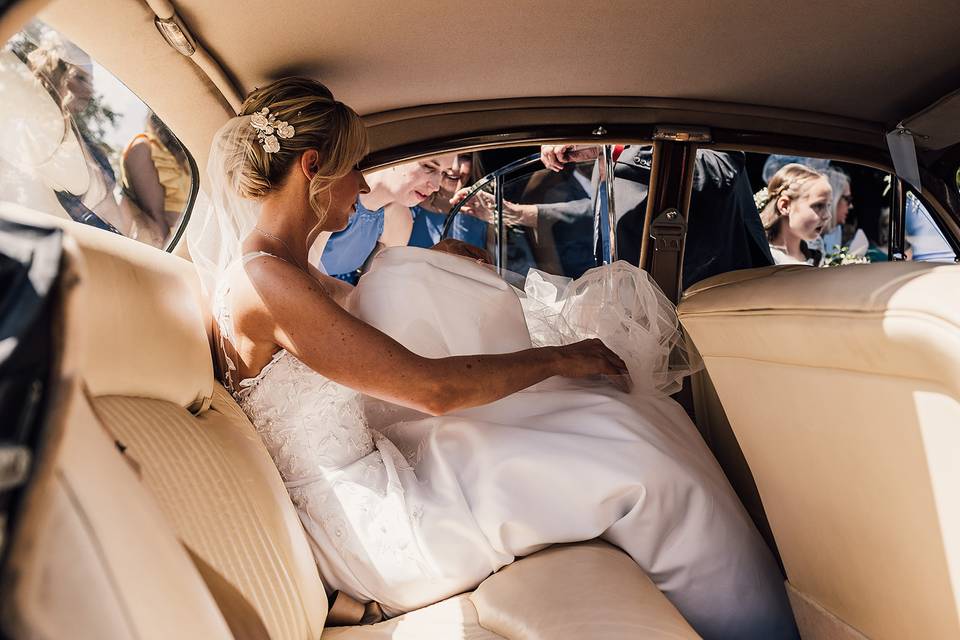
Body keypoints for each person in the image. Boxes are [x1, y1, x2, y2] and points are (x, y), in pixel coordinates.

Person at [190, 76, 797, 640]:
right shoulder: (267, 281)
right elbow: (431, 390)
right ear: (313, 167)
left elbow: (366, 330)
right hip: (369, 527)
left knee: (626, 418)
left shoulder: (290, 271)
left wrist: (437, 265)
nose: (360, 188)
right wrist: (559, 358)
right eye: (355, 169)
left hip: (385, 474)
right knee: (633, 452)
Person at [541, 145, 774, 288]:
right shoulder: (600, 158)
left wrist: (618, 148)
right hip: (634, 306)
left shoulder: (695, 87)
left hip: (707, 296)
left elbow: (719, 172)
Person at [319, 154, 460, 282]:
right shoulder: (333, 191)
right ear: (394, 159)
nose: (436, 186)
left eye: (444, 172)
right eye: (428, 167)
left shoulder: (400, 221)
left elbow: (372, 292)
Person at [119, 113, 192, 247]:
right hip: (173, 245)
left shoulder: (185, 156)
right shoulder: (141, 148)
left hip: (194, 238)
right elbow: (157, 218)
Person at [756, 163, 833, 265]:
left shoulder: (815, 253)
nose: (828, 215)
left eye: (828, 205)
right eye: (818, 206)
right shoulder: (764, 257)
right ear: (785, 206)